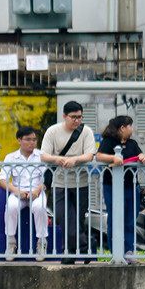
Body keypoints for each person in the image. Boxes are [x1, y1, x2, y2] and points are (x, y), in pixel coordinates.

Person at [40, 101, 98, 263]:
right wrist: (58, 158)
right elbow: (44, 155)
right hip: (60, 183)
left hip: (82, 183)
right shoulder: (53, 131)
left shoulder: (86, 131)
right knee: (64, 218)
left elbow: (89, 155)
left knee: (78, 219)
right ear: (64, 116)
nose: (77, 120)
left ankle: (69, 254)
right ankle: (87, 246)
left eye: (80, 117)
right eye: (73, 117)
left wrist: (75, 160)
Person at [95, 115, 145, 263]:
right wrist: (113, 158)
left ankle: (129, 251)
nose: (132, 129)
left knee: (130, 219)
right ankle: (116, 251)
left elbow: (139, 154)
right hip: (112, 186)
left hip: (131, 186)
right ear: (122, 128)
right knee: (115, 219)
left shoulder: (132, 143)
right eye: (130, 126)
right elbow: (99, 156)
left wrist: (142, 156)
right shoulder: (109, 142)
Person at [0, 125, 49, 260]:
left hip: (36, 192)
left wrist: (37, 191)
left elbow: (47, 178)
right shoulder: (11, 157)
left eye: (34, 140)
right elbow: (2, 179)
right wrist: (16, 190)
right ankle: (10, 242)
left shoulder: (41, 156)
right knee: (11, 207)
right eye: (28, 139)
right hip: (17, 192)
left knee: (40, 207)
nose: (32, 143)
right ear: (19, 140)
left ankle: (41, 243)